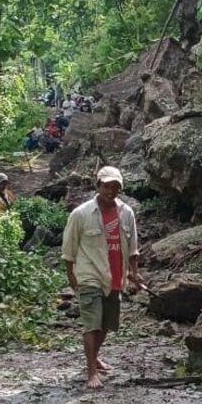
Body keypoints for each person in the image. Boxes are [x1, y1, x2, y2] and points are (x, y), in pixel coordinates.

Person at [61, 166, 141, 389]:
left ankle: (94, 356)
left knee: (106, 322)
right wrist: (72, 278)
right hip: (89, 274)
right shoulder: (81, 214)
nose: (111, 190)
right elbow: (68, 251)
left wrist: (135, 273)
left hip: (115, 275)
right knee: (92, 324)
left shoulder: (126, 213)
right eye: (107, 186)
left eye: (115, 187)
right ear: (98, 186)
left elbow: (133, 247)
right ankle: (91, 373)